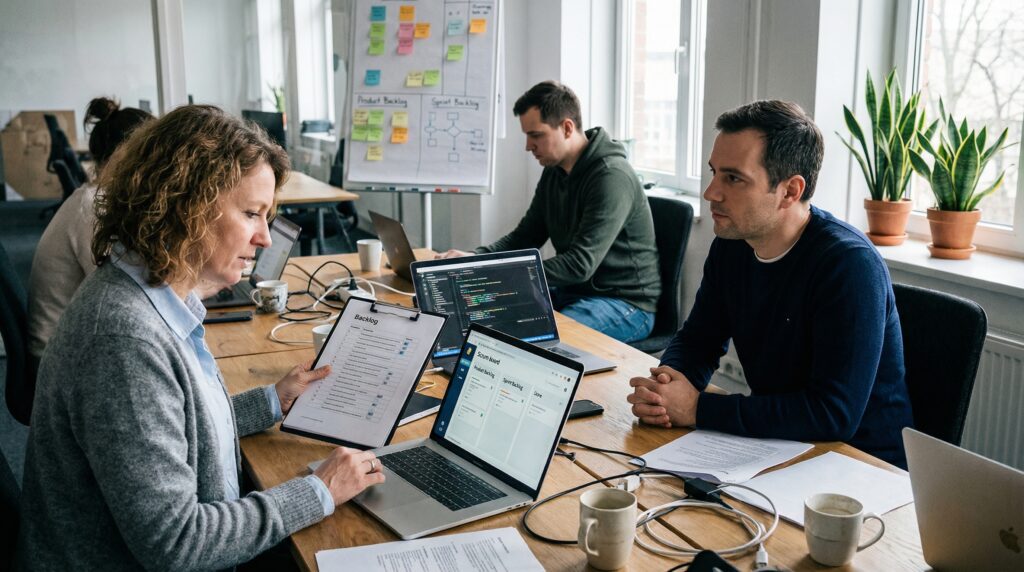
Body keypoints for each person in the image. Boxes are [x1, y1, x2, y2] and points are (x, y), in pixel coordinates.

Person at [17, 105, 385, 570]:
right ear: (186, 205)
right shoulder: (123, 339)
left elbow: (171, 428)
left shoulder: (157, 294)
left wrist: (271, 401)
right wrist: (320, 491)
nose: (266, 238)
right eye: (252, 214)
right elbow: (178, 543)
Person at [626, 100, 914, 468]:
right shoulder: (733, 246)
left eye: (733, 178)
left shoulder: (849, 266)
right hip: (779, 447)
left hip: (859, 466)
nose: (711, 192)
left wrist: (698, 408)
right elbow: (699, 339)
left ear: (790, 191)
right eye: (714, 172)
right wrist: (667, 387)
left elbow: (833, 414)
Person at [437, 81, 661, 343]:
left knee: (537, 338)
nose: (528, 146)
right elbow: (525, 236)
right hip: (571, 291)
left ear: (567, 128)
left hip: (625, 304)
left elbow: (580, 264)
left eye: (536, 135)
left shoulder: (611, 177)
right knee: (487, 311)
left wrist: (496, 273)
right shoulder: (554, 171)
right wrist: (475, 260)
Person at [27, 97, 154, 360]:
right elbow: (124, 293)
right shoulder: (94, 208)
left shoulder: (101, 199)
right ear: (129, 153)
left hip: (77, 340)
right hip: (59, 359)